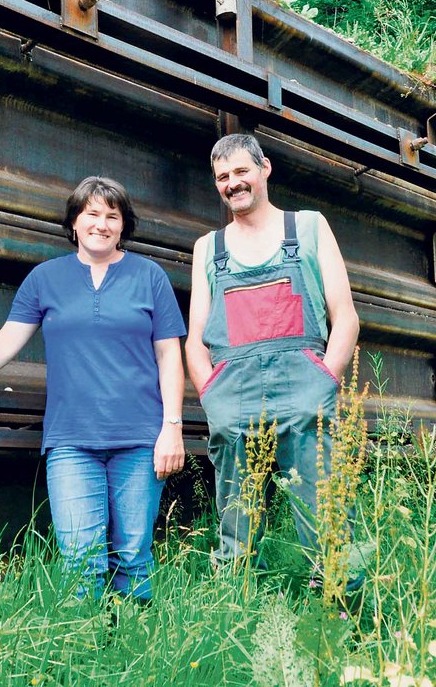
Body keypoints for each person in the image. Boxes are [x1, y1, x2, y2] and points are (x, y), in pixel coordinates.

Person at [0, 176, 187, 600]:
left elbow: (169, 356)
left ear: (124, 226)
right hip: (71, 441)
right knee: (80, 559)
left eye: (113, 216)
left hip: (140, 440)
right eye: (91, 213)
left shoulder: (150, 277)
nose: (101, 224)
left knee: (132, 554)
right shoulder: (45, 279)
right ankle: (82, 653)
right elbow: (5, 342)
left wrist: (172, 427)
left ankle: (134, 650)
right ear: (74, 221)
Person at [185, 133, 360, 571]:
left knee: (328, 512)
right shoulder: (209, 247)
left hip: (304, 387)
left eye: (241, 171)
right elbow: (194, 337)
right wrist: (212, 397)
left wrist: (323, 382)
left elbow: (346, 316)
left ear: (265, 169)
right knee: (236, 523)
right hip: (232, 393)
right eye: (222, 177)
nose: (233, 183)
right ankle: (238, 604)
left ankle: (346, 606)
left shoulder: (308, 226)